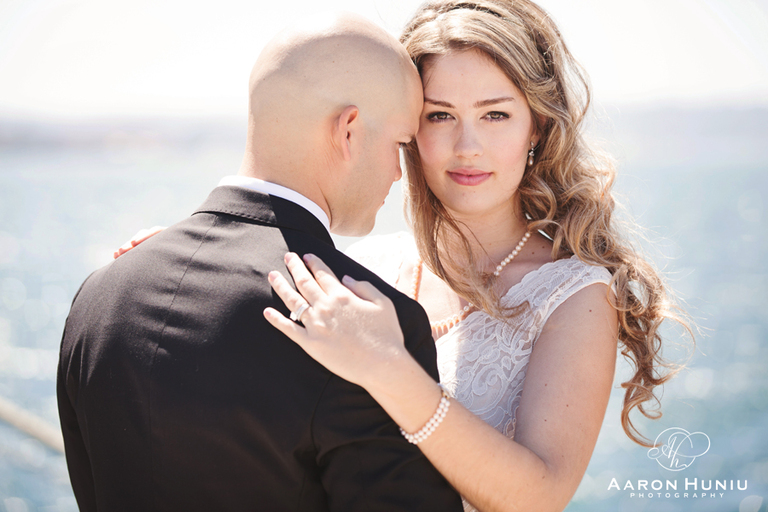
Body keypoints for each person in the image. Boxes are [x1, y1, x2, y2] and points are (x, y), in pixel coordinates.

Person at [261, 1, 691, 511]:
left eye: (495, 114)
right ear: (409, 128)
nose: (467, 145)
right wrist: (180, 250)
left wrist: (387, 366)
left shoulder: (574, 295)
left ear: (536, 127)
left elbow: (540, 495)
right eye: (439, 115)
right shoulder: (367, 265)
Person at [57, 13, 463, 511]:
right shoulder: (369, 323)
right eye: (400, 144)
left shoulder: (99, 295)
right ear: (349, 130)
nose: (400, 174)